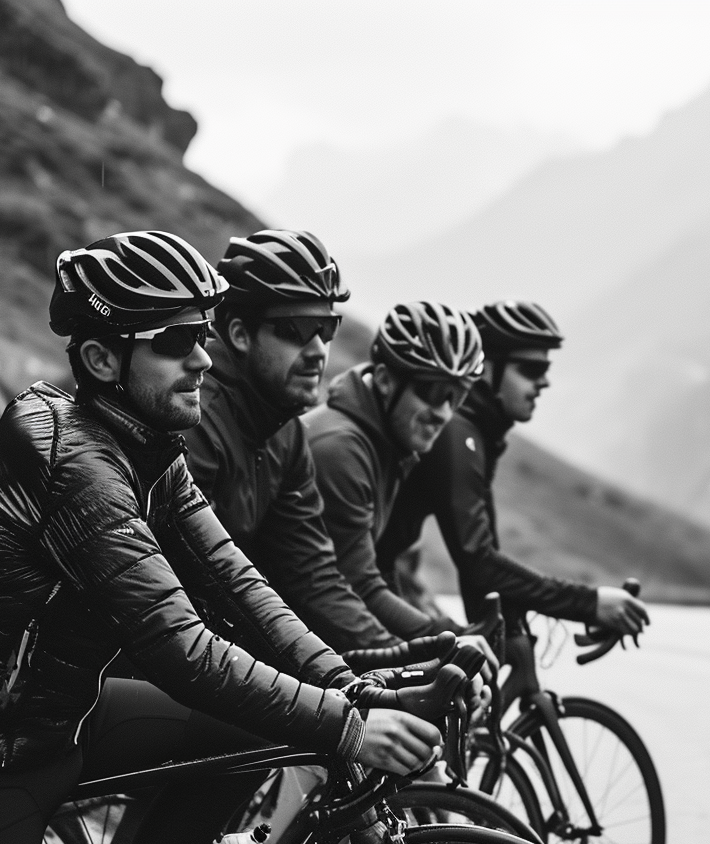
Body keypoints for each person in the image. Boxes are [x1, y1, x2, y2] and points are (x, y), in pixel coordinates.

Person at [0, 231, 443, 844]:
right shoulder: (79, 467)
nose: (202, 358)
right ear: (100, 356)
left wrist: (349, 688)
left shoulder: (149, 448)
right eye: (176, 342)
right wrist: (346, 727)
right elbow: (182, 646)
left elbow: (239, 583)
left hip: (60, 721)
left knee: (257, 734)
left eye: (202, 334)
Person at [185, 230, 490, 657]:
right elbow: (198, 583)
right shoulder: (197, 421)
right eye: (297, 329)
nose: (317, 350)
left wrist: (404, 660)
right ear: (239, 333)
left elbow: (316, 578)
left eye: (326, 329)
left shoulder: (284, 433)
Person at [376, 299, 650, 637]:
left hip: (381, 583)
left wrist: (508, 630)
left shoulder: (479, 434)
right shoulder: (458, 433)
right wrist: (588, 602)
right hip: (364, 590)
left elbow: (483, 564)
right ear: (488, 368)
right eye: (532, 370)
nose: (545, 382)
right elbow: (477, 562)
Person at [300, 301, 484, 641]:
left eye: (456, 397)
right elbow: (356, 586)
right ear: (384, 380)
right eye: (431, 391)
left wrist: (443, 630)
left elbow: (382, 573)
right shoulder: (341, 449)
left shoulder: (387, 446)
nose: (442, 413)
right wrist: (442, 639)